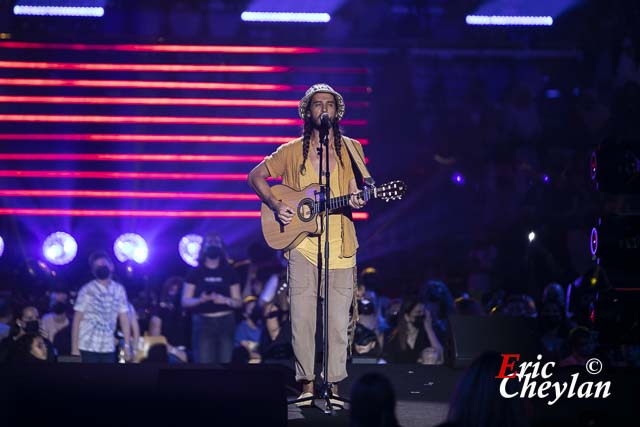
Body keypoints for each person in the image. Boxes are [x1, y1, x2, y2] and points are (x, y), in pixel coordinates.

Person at [248, 83, 367, 405]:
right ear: (308, 111)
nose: (324, 109)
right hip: (301, 246)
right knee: (301, 318)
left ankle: (334, 383)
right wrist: (275, 204)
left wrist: (358, 197)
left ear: (337, 111)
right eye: (318, 104)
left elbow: (360, 187)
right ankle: (307, 384)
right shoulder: (290, 150)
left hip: (341, 245)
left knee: (338, 322)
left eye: (330, 104)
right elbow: (255, 175)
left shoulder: (352, 148)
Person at [181, 232, 242, 363]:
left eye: (216, 242)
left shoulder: (230, 272)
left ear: (222, 247)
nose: (213, 244)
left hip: (226, 322)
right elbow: (185, 301)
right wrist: (200, 300)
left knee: (225, 365)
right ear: (203, 247)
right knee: (204, 366)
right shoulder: (195, 272)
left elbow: (238, 302)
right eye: (209, 242)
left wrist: (225, 300)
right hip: (203, 323)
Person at [71, 250, 131, 363]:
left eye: (103, 264)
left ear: (111, 266)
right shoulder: (86, 290)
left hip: (108, 346)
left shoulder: (119, 290)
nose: (101, 267)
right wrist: (74, 348)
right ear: (93, 271)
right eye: (97, 266)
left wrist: (127, 346)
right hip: (86, 345)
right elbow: (77, 320)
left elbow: (124, 319)